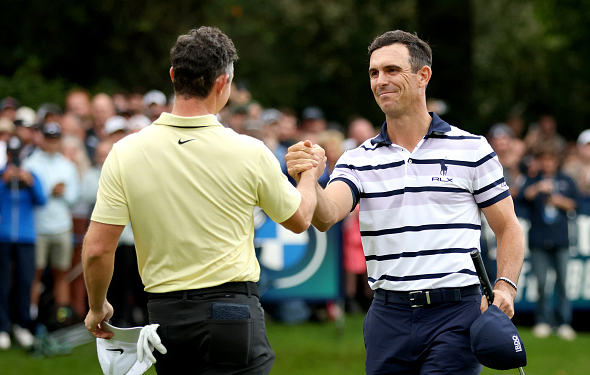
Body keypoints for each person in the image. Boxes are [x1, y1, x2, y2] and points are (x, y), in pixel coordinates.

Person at [82, 26, 322, 375]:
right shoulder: (249, 151)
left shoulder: (125, 152)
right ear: (223, 83)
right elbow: (300, 219)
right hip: (232, 310)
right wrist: (310, 175)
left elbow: (97, 249)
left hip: (165, 318)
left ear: (172, 77)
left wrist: (97, 306)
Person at [286, 30, 525, 374]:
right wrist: (308, 175)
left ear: (423, 76)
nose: (380, 80)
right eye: (374, 73)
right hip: (387, 316)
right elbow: (326, 215)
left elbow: (508, 227)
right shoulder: (358, 159)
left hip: (456, 313)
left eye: (392, 70)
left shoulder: (472, 148)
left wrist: (505, 286)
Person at [24, 122, 80, 327]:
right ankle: (30, 319)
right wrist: (50, 190)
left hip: (61, 227)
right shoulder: (31, 163)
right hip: (38, 227)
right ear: (42, 139)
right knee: (35, 274)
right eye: (49, 138)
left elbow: (74, 198)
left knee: (61, 273)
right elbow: (30, 196)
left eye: (55, 139)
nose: (52, 143)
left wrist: (62, 192)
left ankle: (60, 320)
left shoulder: (67, 165)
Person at [520, 147, 578, 341]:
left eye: (550, 160)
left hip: (561, 239)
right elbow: (523, 196)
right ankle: (543, 320)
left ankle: (564, 322)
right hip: (538, 239)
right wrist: (538, 188)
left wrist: (560, 201)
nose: (547, 164)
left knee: (563, 282)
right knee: (542, 283)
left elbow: (575, 203)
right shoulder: (534, 179)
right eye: (544, 160)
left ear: (556, 162)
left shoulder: (566, 180)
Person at [0, 136, 46, 350]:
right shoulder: (2, 175)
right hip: (3, 236)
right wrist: (4, 182)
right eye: (12, 155)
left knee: (25, 281)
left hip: (27, 237)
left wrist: (30, 183)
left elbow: (42, 200)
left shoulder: (32, 175)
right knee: (2, 282)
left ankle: (22, 324)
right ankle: (2, 326)